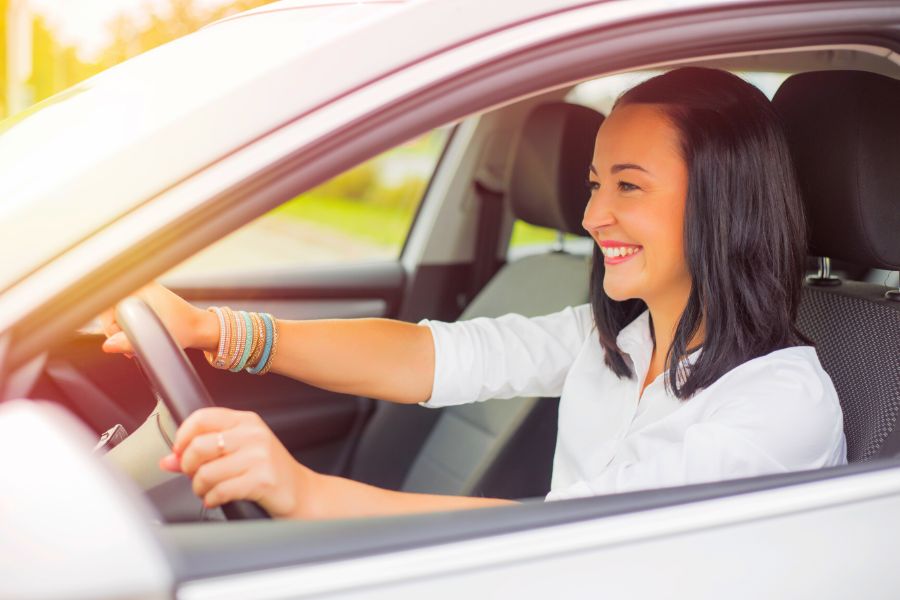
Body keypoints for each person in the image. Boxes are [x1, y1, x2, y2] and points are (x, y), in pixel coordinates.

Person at [99, 67, 847, 520]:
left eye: (628, 186)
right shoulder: (624, 339)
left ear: (722, 201)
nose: (591, 216)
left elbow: (575, 537)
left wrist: (309, 494)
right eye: (593, 185)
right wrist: (214, 330)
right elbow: (437, 356)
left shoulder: (781, 405)